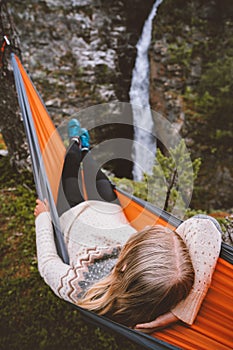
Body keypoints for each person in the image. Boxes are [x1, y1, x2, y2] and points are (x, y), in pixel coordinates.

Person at [34, 119, 222, 332]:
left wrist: (43, 218)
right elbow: (206, 224)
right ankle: (87, 151)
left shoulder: (81, 287)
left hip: (75, 217)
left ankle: (76, 144)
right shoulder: (167, 292)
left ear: (122, 263)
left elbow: (48, 263)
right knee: (100, 181)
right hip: (111, 214)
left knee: (69, 172)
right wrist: (181, 312)